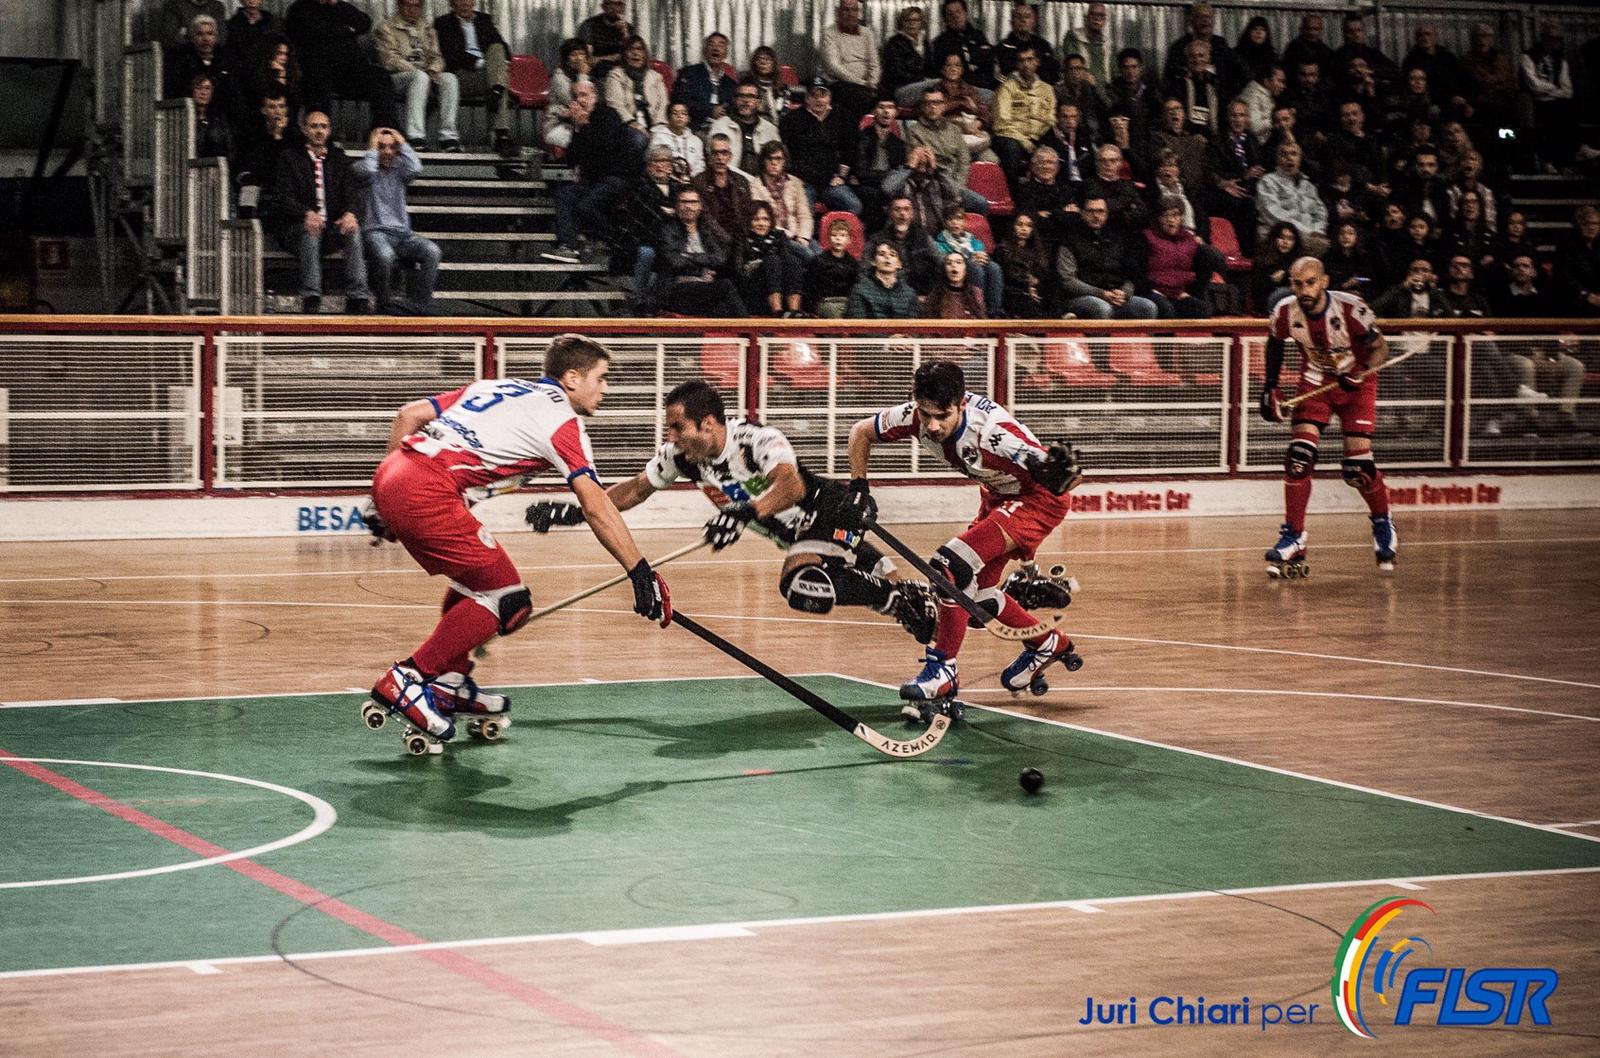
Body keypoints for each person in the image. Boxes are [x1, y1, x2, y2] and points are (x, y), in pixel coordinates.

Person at [364, 334, 671, 748]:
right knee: (510, 600)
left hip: (394, 471)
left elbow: (408, 415)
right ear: (572, 378)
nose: (606, 389)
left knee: (475, 582)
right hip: (429, 489)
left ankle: (448, 684)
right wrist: (638, 569)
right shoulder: (563, 421)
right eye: (601, 378)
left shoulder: (496, 386)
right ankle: (409, 677)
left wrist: (382, 501)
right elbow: (597, 505)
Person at [532, 380, 935, 644]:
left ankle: (898, 597)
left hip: (828, 511)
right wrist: (578, 511)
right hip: (798, 536)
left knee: (801, 585)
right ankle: (903, 593)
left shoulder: (754, 440)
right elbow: (637, 489)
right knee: (831, 576)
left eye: (677, 427)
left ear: (707, 424)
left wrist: (745, 512)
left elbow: (791, 485)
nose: (670, 437)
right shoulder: (682, 458)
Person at [848, 359, 1083, 710]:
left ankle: (942, 670)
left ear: (961, 405)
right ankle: (1046, 643)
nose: (932, 425)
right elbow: (860, 432)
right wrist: (858, 488)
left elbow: (1068, 476)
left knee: (949, 565)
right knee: (979, 598)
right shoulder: (915, 415)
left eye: (942, 416)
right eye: (925, 414)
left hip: (1037, 501)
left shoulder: (992, 435)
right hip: (998, 497)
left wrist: (1058, 471)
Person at [1259, 257, 1396, 575]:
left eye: (1310, 282)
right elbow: (1275, 344)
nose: (1303, 290)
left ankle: (1382, 522)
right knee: (1298, 457)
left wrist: (1361, 372)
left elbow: (1379, 348)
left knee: (1357, 469)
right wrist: (1270, 387)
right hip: (1316, 380)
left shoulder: (1351, 308)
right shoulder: (1285, 311)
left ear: (1323, 281)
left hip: (1357, 384)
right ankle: (1293, 536)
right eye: (1297, 283)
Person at [271, 109, 370, 314]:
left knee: (352, 229)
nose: (319, 131)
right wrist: (306, 213)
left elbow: (352, 194)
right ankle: (311, 295)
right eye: (314, 126)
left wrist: (350, 213)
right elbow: (282, 197)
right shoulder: (289, 158)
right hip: (296, 227)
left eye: (323, 127)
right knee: (311, 230)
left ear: (329, 131)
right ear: (305, 130)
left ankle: (358, 296)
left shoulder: (340, 160)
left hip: (330, 226)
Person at [543, 82, 639, 265]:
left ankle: (620, 242)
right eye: (576, 96)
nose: (580, 100)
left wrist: (583, 126)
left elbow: (604, 150)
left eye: (584, 95)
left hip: (617, 177)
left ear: (595, 96)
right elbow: (571, 159)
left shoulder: (608, 115)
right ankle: (568, 246)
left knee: (585, 207)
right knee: (564, 194)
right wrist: (578, 129)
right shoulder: (580, 124)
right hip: (595, 180)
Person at [351, 127, 441, 314]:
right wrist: (372, 149)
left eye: (392, 147)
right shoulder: (361, 167)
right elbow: (368, 168)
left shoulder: (400, 169)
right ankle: (383, 304)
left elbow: (416, 167)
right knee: (385, 256)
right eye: (382, 147)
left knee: (433, 251)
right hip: (374, 232)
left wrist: (403, 143)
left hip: (402, 234)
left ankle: (420, 305)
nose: (387, 152)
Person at [284, 0, 398, 133]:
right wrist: (346, 30)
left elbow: (365, 23)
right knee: (318, 78)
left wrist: (337, 7)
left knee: (380, 77)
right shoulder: (299, 9)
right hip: (316, 69)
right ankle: (320, 132)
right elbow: (315, 31)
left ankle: (383, 130)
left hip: (349, 72)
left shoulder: (341, 7)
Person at [376, 0, 459, 150]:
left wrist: (433, 70)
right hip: (396, 77)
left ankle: (448, 137)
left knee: (450, 79)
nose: (412, 10)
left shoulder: (427, 28)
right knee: (419, 77)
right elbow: (389, 59)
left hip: (424, 75)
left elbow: (437, 56)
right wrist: (418, 72)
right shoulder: (387, 27)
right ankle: (415, 136)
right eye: (408, 5)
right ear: (400, 6)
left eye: (417, 6)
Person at [1057, 195, 1156, 320]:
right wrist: (1102, 294)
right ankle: (1102, 340)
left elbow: (1132, 275)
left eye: (1100, 211)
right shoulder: (1069, 240)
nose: (1096, 216)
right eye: (1090, 211)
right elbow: (1067, 280)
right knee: (1102, 308)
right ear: (1082, 213)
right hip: (1081, 297)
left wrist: (1124, 293)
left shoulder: (1119, 238)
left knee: (1147, 307)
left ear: (1107, 214)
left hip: (1115, 296)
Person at [434, 0, 513, 156]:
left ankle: (501, 131)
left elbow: (504, 49)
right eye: (460, 0)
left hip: (486, 76)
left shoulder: (484, 20)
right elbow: (450, 56)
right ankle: (502, 135)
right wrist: (480, 62)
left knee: (497, 49)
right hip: (460, 77)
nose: (464, 3)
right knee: (499, 79)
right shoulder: (443, 23)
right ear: (452, 4)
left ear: (474, 2)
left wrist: (493, 63)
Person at [653, 187, 745, 317]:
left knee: (726, 303)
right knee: (726, 286)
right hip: (678, 288)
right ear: (677, 206)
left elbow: (719, 259)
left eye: (693, 202)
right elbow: (675, 262)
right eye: (684, 202)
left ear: (700, 206)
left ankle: (748, 330)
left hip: (706, 287)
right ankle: (752, 329)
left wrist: (688, 256)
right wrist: (703, 267)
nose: (688, 206)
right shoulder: (666, 229)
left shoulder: (705, 230)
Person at [1142, 196, 1224, 318]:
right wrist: (1151, 290)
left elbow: (1205, 269)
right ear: (1158, 218)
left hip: (1180, 293)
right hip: (1154, 291)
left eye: (1175, 215)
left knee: (1203, 310)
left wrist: (1190, 292)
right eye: (1165, 215)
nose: (1170, 220)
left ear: (1181, 218)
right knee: (1167, 310)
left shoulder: (1189, 239)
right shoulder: (1146, 237)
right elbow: (1137, 270)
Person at [1521, 23, 1576, 172]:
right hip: (1535, 102)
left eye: (1556, 39)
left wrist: (1550, 91)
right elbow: (1534, 85)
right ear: (1543, 38)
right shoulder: (1528, 57)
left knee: (1567, 110)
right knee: (1551, 115)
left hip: (1555, 102)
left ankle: (1566, 160)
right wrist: (1553, 88)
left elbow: (1567, 90)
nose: (1553, 42)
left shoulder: (1561, 61)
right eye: (1549, 38)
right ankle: (1548, 160)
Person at [1256, 142, 1327, 255]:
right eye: (1284, 154)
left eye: (1294, 154)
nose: (1289, 158)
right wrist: (1307, 232)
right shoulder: (1268, 181)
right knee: (1322, 248)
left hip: (1310, 236)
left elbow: (1320, 213)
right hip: (1279, 236)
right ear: (1277, 158)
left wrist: (1317, 230)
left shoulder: (1308, 185)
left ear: (1300, 158)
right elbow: (1273, 215)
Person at [735, 202, 805, 317]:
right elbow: (738, 270)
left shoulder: (779, 235)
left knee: (792, 260)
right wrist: (761, 264)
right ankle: (777, 311)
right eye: (756, 219)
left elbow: (786, 262)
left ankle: (794, 311)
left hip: (778, 283)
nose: (761, 223)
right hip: (753, 287)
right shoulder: (741, 237)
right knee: (772, 260)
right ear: (749, 221)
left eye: (765, 219)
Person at [819, 0, 880, 127]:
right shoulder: (829, 33)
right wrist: (863, 83)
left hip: (867, 86)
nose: (850, 14)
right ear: (838, 12)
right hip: (839, 83)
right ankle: (852, 137)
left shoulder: (867, 33)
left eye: (854, 10)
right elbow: (833, 67)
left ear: (859, 13)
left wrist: (873, 83)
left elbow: (874, 64)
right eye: (846, 9)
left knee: (887, 98)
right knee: (855, 97)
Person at [751, 141, 815, 258]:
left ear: (784, 161)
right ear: (763, 161)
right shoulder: (755, 185)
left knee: (821, 254)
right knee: (810, 256)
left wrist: (803, 236)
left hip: (799, 234)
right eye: (769, 159)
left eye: (778, 159)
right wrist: (792, 236)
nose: (774, 163)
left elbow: (804, 214)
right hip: (776, 237)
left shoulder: (794, 182)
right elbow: (764, 221)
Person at [934, 205, 1002, 313]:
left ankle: (994, 311)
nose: (955, 223)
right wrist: (969, 259)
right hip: (959, 270)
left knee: (994, 267)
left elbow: (981, 252)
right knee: (975, 268)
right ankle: (977, 307)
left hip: (975, 265)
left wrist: (983, 256)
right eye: (950, 219)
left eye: (959, 218)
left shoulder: (972, 239)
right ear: (945, 223)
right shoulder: (940, 242)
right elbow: (946, 260)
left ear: (964, 222)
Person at [692, 134, 758, 244]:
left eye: (724, 153)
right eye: (715, 153)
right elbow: (704, 217)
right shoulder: (699, 182)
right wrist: (727, 240)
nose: (720, 158)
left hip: (740, 238)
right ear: (709, 157)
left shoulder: (741, 181)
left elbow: (747, 213)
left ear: (730, 156)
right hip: (711, 238)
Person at [606, 35, 669, 149]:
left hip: (655, 124)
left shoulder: (655, 76)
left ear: (645, 54)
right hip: (628, 125)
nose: (635, 53)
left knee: (664, 140)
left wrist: (658, 127)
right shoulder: (616, 74)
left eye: (639, 49)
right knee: (639, 139)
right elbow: (615, 104)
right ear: (624, 54)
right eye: (631, 49)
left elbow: (663, 104)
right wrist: (634, 124)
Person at [710, 82, 781, 175]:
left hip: (763, 184)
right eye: (741, 96)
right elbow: (717, 162)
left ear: (759, 102)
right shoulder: (720, 125)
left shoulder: (770, 130)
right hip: (730, 181)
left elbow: (778, 162)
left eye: (751, 96)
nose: (746, 100)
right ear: (734, 100)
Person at [672, 32, 738, 131]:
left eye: (721, 45)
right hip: (693, 127)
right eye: (711, 44)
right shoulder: (689, 73)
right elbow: (679, 100)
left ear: (726, 53)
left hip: (723, 129)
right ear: (704, 51)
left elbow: (733, 108)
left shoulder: (730, 83)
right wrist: (709, 110)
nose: (716, 48)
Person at [931, 0, 996, 90]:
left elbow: (990, 64)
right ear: (945, 19)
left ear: (965, 13)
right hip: (958, 90)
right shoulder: (940, 43)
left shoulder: (978, 36)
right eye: (950, 14)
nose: (956, 16)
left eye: (958, 12)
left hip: (985, 87)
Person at [544, 39, 594, 152]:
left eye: (581, 54)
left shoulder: (592, 75)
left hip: (582, 126)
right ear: (566, 60)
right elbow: (578, 104)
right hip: (558, 127)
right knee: (589, 141)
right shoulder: (559, 77)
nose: (578, 58)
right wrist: (582, 76)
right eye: (573, 54)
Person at [998, 211, 1051, 317]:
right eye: (1019, 225)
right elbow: (1006, 279)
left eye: (1029, 225)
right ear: (1013, 227)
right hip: (1015, 294)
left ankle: (1059, 318)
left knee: (1055, 280)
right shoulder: (1002, 250)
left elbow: (1042, 276)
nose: (1024, 229)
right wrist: (1026, 288)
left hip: (1036, 292)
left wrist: (1035, 286)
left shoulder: (1038, 251)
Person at [805, 217, 860, 317]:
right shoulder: (819, 261)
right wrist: (812, 309)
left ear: (849, 240)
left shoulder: (853, 263)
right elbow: (811, 286)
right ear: (829, 238)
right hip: (826, 301)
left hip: (847, 301)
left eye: (842, 235)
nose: (838, 238)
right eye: (834, 235)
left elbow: (855, 285)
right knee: (835, 314)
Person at [847, 242, 919, 318]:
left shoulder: (909, 294)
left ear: (899, 264)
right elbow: (858, 326)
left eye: (892, 255)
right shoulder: (860, 290)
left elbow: (914, 327)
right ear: (873, 262)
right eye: (881, 254)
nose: (887, 257)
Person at [1553, 205, 1600, 317]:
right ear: (1578, 225)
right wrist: (1587, 295)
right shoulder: (1566, 244)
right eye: (1587, 224)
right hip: (1575, 298)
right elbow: (1565, 277)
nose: (1591, 227)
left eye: (1595, 224)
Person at [997, 3, 1059, 85]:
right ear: (1011, 22)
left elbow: (1053, 74)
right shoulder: (1001, 48)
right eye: (1018, 17)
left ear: (1034, 22)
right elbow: (1000, 78)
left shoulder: (1044, 46)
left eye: (1027, 17)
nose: (1023, 20)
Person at [1373, 258, 1453, 318]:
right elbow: (1375, 309)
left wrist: (1433, 290)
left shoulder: (1436, 293)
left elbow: (1450, 315)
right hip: (1403, 338)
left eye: (1425, 270)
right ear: (1409, 273)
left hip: (1432, 338)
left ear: (1431, 274)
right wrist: (1403, 286)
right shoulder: (1397, 291)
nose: (1419, 273)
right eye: (1415, 270)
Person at [882, 6, 931, 104]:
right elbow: (897, 73)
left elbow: (930, 68)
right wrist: (922, 79)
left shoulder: (925, 42)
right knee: (939, 84)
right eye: (907, 20)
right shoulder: (894, 43)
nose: (911, 23)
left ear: (921, 23)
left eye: (916, 20)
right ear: (902, 23)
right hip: (900, 89)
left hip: (922, 86)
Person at [1061, 2, 1113, 89]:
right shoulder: (1073, 36)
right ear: (1087, 17)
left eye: (1101, 15)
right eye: (1093, 14)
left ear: (1105, 19)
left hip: (1104, 90)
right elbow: (1073, 64)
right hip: (1080, 87)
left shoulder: (1108, 43)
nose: (1097, 18)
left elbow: (1113, 71)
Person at [650, 102, 707, 181]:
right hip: (667, 180)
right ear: (668, 117)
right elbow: (657, 164)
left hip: (692, 182)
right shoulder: (659, 137)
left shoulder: (696, 141)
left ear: (688, 118)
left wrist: (694, 179)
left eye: (683, 113)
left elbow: (699, 165)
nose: (679, 116)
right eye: (675, 113)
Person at [1252, 221, 1300, 312]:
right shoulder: (1263, 259)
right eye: (1281, 238)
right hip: (1267, 300)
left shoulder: (1298, 260)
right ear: (1274, 239)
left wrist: (1286, 275)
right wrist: (1272, 280)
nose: (1285, 242)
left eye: (1290, 239)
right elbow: (1257, 290)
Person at [923, 252, 986, 318]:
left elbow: (982, 320)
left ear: (966, 269)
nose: (953, 265)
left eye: (958, 262)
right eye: (949, 263)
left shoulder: (975, 293)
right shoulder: (936, 294)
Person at [577, 0, 632, 73]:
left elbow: (632, 57)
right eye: (610, 3)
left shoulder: (629, 28)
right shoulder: (589, 25)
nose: (614, 7)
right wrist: (614, 57)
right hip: (597, 74)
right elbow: (587, 60)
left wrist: (625, 33)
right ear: (603, 6)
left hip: (623, 73)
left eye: (619, 4)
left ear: (624, 7)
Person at [742, 46, 792, 126]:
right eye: (759, 59)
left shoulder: (782, 88)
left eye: (767, 59)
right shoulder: (746, 84)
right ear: (754, 63)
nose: (763, 63)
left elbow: (786, 115)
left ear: (774, 63)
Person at [1281, 13, 1335, 82]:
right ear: (1301, 29)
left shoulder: (1327, 52)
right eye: (1308, 29)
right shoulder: (1293, 49)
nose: (1312, 32)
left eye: (1315, 29)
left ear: (1321, 30)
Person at [224, 0, 274, 69]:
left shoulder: (270, 21)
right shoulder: (233, 24)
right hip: (243, 70)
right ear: (241, 1)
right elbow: (231, 53)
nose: (251, 1)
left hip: (268, 68)